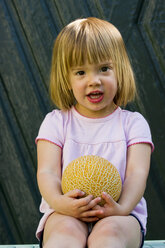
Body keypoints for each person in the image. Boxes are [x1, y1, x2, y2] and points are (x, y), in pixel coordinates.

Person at [36, 17, 154, 248]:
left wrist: (122, 208)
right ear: (66, 78)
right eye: (80, 72)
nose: (94, 81)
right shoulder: (56, 122)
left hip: (122, 214)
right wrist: (61, 203)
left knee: (109, 235)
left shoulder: (133, 124)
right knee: (65, 233)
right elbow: (47, 172)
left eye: (104, 68)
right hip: (66, 211)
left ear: (119, 70)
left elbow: (136, 175)